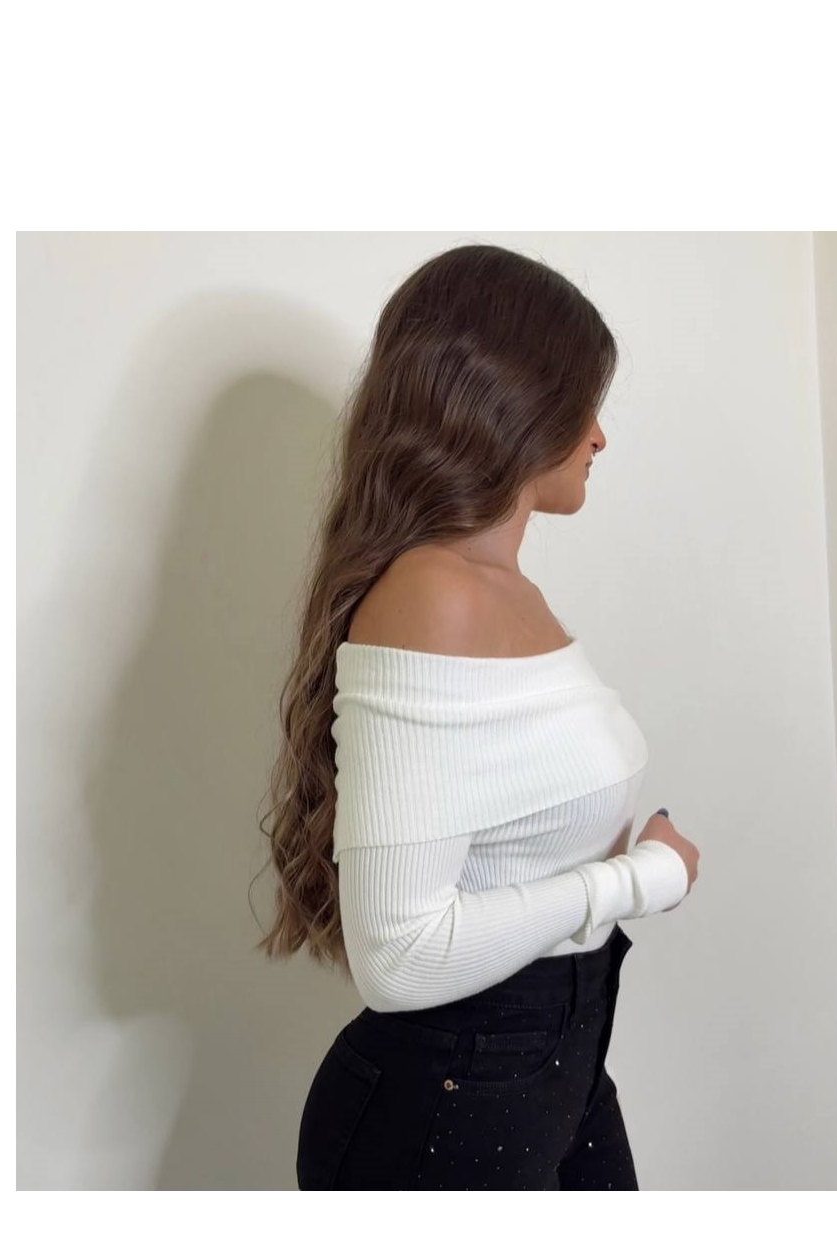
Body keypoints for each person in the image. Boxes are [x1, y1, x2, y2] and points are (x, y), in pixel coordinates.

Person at [254, 242, 700, 1189]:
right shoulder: (435, 596)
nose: (599, 437)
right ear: (516, 403)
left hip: (557, 1070)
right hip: (445, 1109)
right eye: (583, 404)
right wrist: (638, 880)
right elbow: (399, 959)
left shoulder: (502, 592)